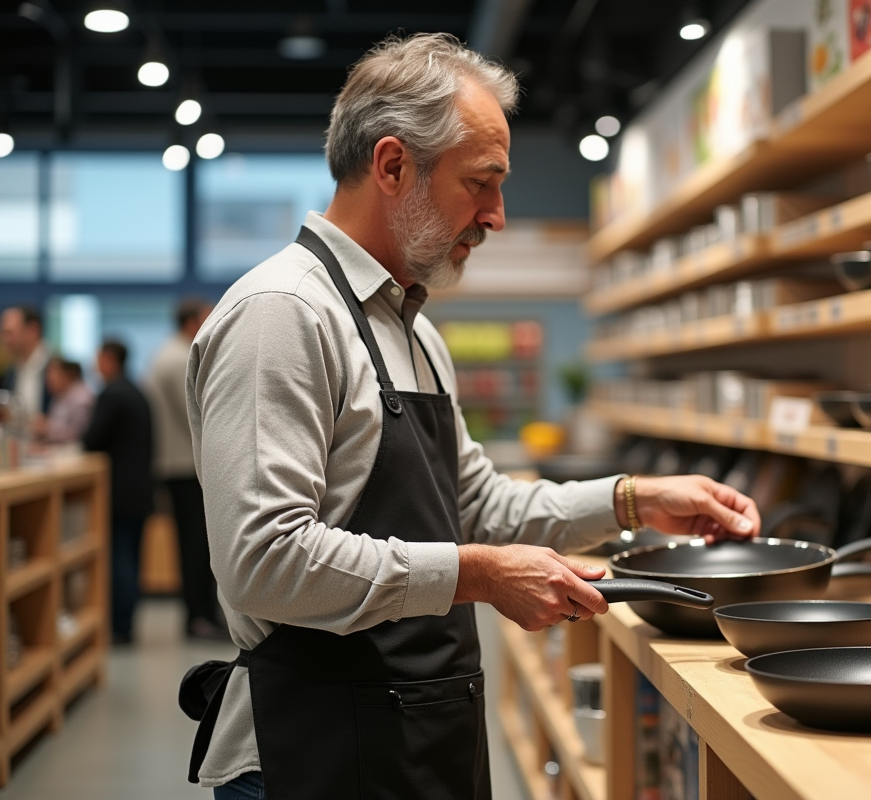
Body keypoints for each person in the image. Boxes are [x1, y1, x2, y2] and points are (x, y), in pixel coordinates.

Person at [184, 33, 760, 800]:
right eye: (481, 183)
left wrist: (634, 500)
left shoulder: (414, 331)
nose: (497, 215)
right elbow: (265, 562)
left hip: (420, 739)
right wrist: (481, 575)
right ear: (392, 166)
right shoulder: (283, 316)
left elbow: (478, 506)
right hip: (310, 753)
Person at [145, 298, 224, 641]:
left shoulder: (169, 353)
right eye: (206, 317)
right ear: (192, 321)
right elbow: (197, 414)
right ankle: (199, 618)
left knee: (196, 544)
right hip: (184, 468)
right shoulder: (178, 358)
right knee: (196, 547)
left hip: (179, 466)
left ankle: (201, 615)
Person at [84, 340, 154, 646]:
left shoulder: (111, 394)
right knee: (132, 558)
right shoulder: (137, 391)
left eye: (98, 358)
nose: (95, 364)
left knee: (120, 559)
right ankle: (126, 623)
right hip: (140, 489)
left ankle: (120, 627)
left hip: (118, 493)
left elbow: (92, 439)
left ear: (110, 359)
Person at [1, 305, 51, 424]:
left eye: (10, 333)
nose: (5, 339)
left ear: (32, 330)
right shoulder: (11, 372)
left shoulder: (55, 369)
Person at [34, 357, 94, 444]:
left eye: (52, 373)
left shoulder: (82, 398)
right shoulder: (60, 395)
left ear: (66, 375)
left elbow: (77, 434)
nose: (48, 379)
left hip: (76, 453)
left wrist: (47, 428)